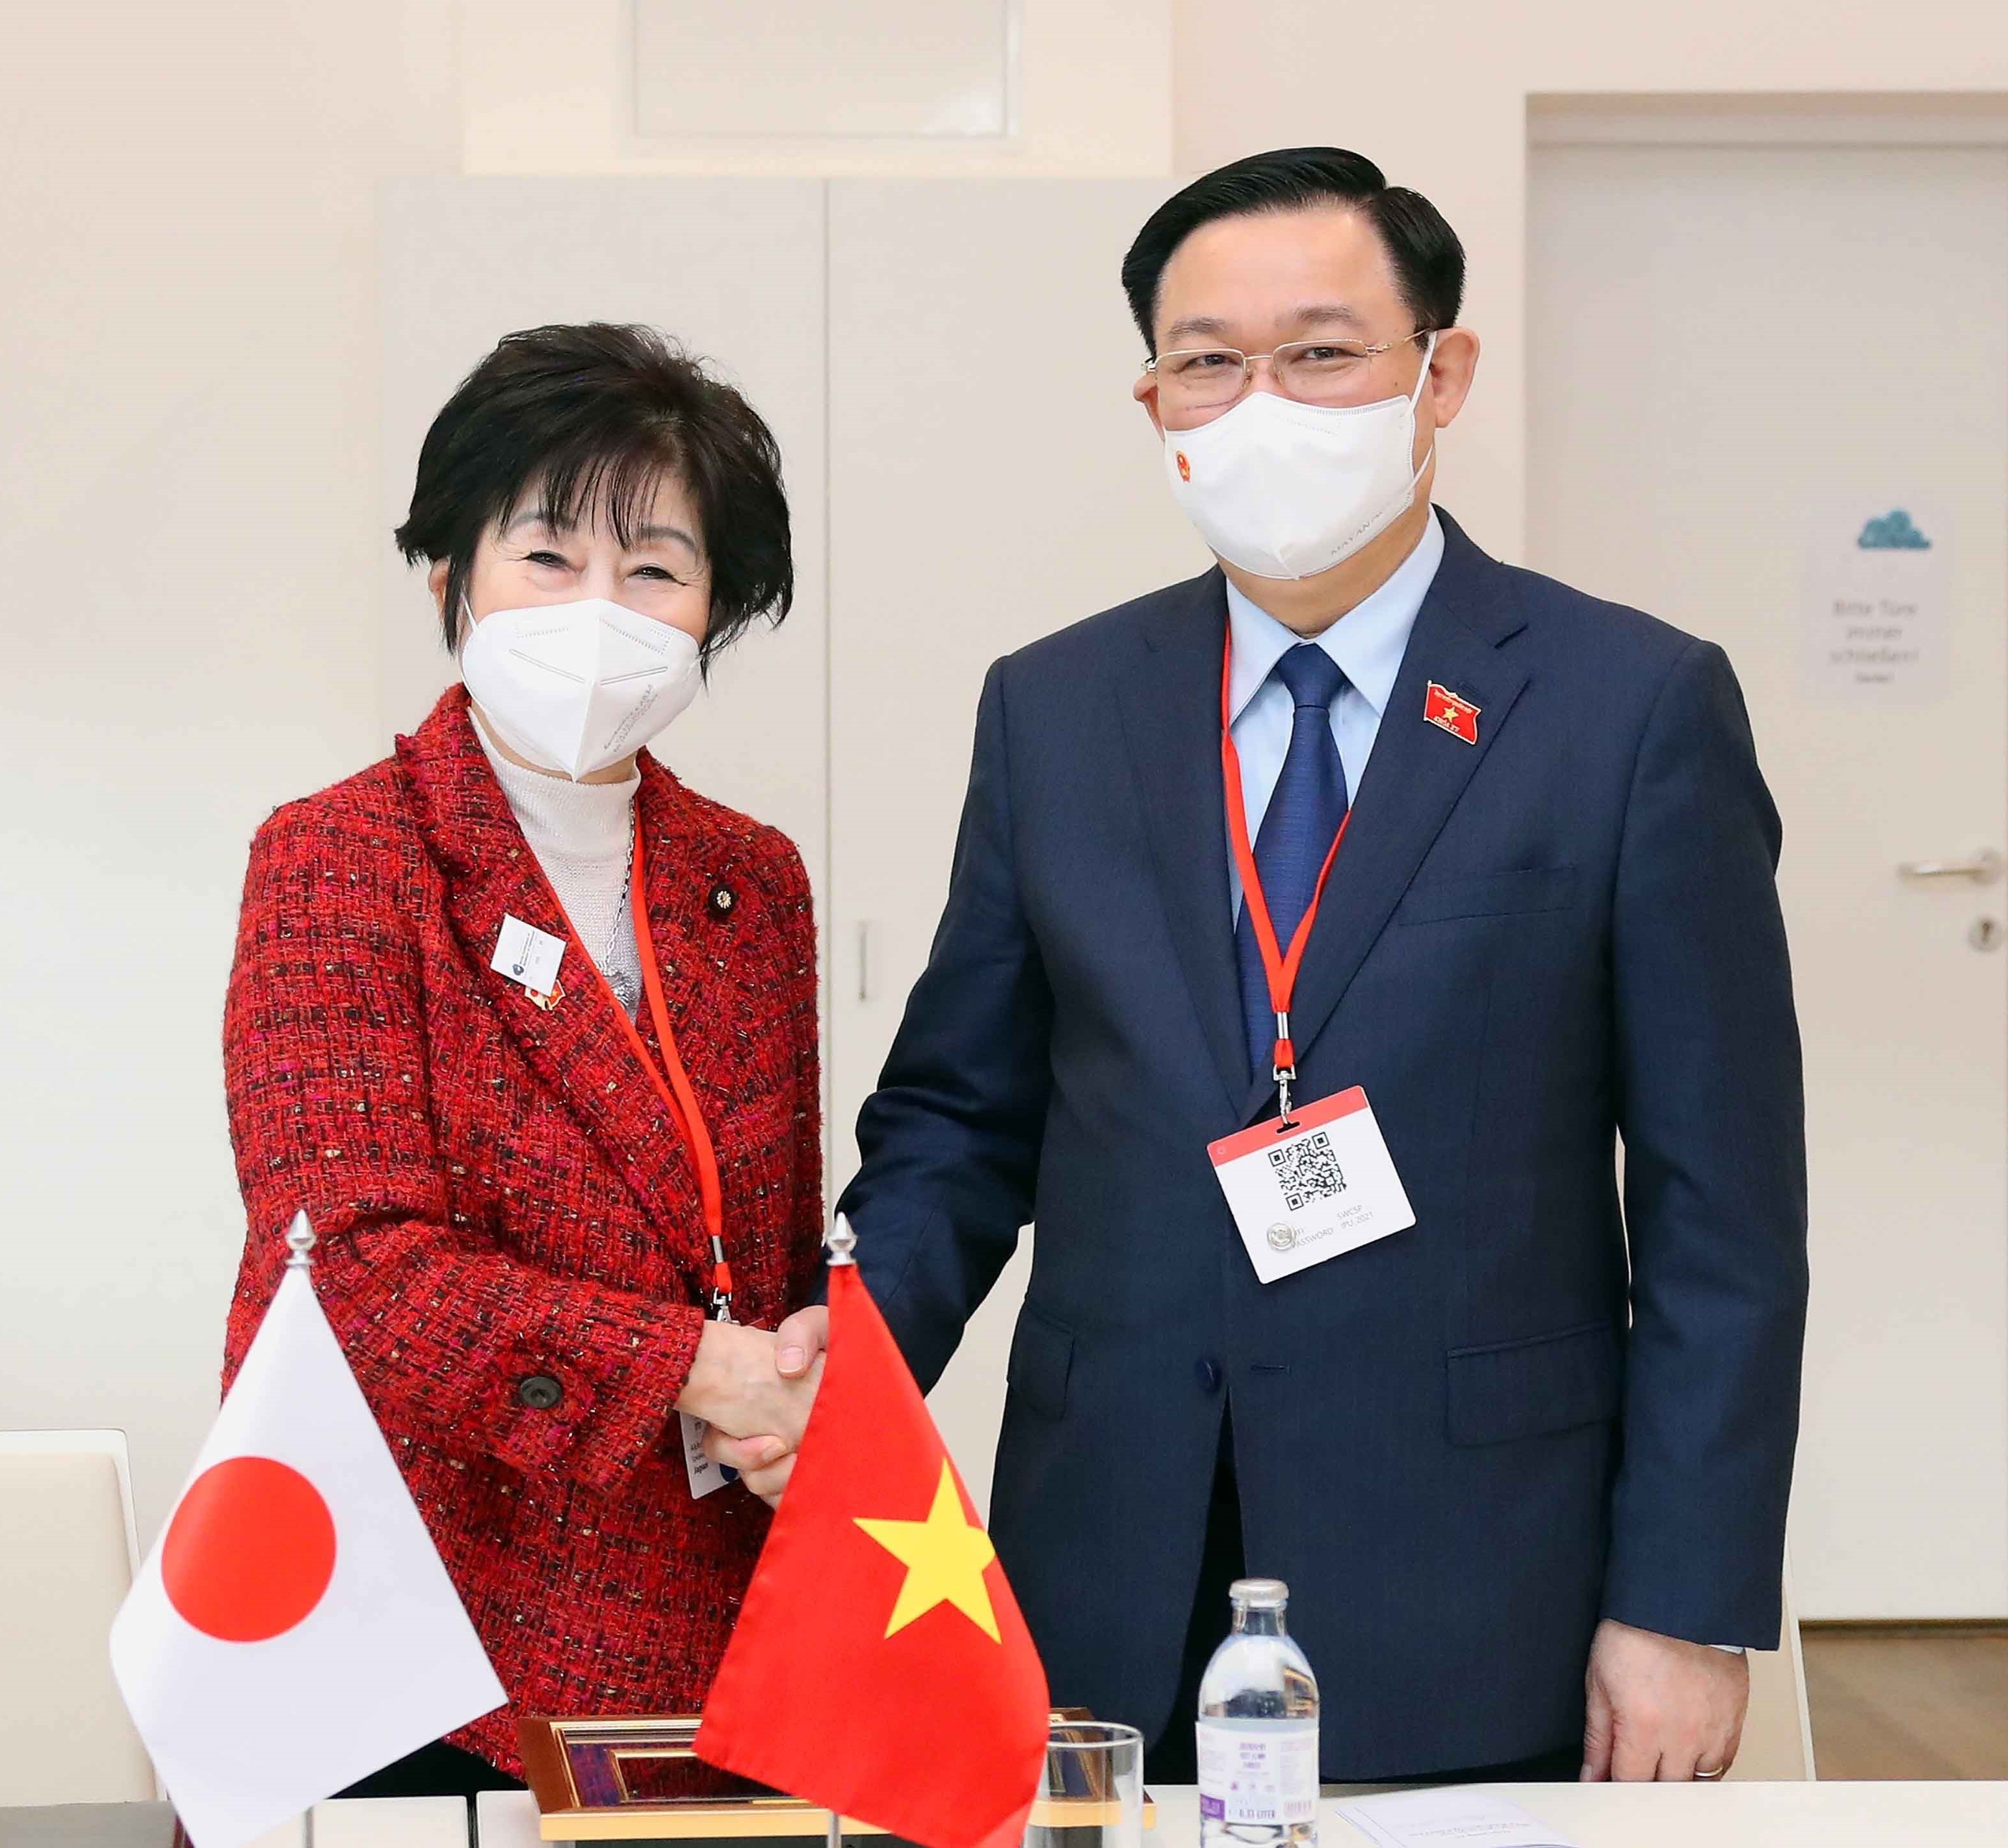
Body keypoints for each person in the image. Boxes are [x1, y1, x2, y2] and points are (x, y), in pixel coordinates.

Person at [715, 149, 1807, 1784]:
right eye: (1210, 361)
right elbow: (963, 1116)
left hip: (1479, 1566)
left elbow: (1726, 1211)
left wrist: (1683, 1602)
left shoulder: (1628, 707)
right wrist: (848, 1372)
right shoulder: (1056, 707)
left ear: (1440, 373)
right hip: (1108, 1553)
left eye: (1322, 351)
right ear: (1155, 400)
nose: (1263, 403)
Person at [220, 322, 825, 1795]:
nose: (599, 608)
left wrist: (809, 1380)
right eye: (548, 555)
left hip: (695, 1590)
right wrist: (700, 1364)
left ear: (718, 608)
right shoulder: (339, 853)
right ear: (451, 575)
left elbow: (775, 1241)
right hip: (414, 1599)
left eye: (657, 568)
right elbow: (354, 1264)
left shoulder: (752, 878)